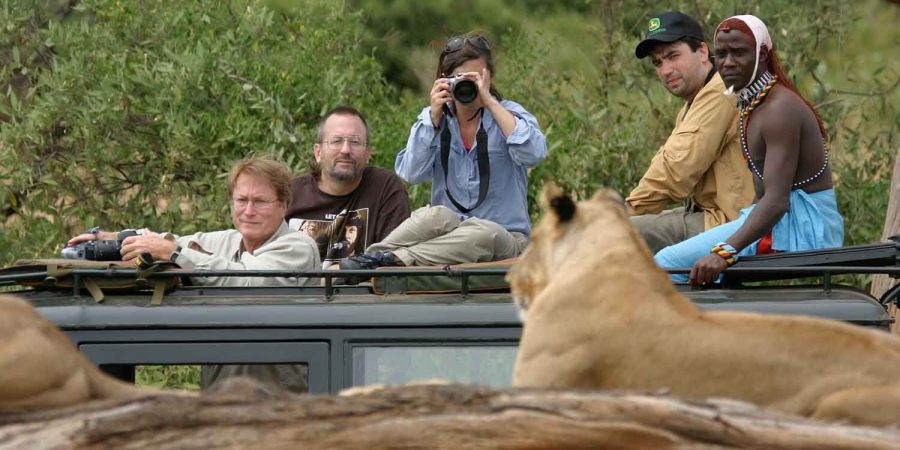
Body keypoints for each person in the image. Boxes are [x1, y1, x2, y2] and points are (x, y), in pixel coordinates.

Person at [66, 156, 321, 392]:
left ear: (284, 206)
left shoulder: (297, 247)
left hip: (278, 396)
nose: (249, 211)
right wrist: (113, 238)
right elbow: (171, 240)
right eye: (241, 200)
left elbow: (248, 281)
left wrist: (174, 254)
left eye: (260, 201)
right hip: (224, 393)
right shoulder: (229, 240)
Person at [654, 14, 844, 285]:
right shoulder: (752, 102)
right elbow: (764, 197)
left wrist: (725, 250)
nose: (728, 62)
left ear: (763, 54)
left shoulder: (779, 109)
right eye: (721, 54)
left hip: (803, 229)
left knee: (664, 265)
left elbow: (777, 201)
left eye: (739, 53)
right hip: (781, 221)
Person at [341, 34, 547, 271]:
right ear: (444, 79)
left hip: (504, 239)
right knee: (436, 214)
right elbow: (411, 173)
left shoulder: (510, 115)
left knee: (484, 231)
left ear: (489, 77)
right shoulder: (435, 119)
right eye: (460, 78)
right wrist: (432, 119)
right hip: (447, 237)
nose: (469, 85)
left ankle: (394, 259)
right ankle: (371, 260)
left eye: (476, 77)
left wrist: (489, 101)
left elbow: (534, 154)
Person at [629, 11, 755, 253]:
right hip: (715, 217)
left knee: (614, 233)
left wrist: (621, 213)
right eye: (658, 62)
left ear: (703, 52)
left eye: (673, 56)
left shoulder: (722, 92)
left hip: (730, 225)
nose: (665, 70)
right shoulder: (698, 97)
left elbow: (675, 172)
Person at [285, 105, 410, 269]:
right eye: (336, 141)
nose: (345, 150)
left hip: (362, 293)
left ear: (367, 153)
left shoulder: (385, 189)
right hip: (295, 293)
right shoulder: (290, 194)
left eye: (355, 142)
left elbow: (395, 258)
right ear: (318, 152)